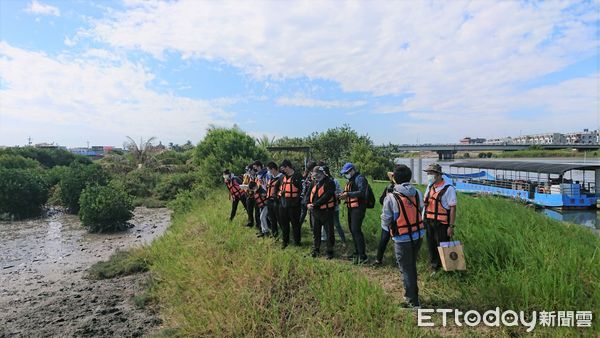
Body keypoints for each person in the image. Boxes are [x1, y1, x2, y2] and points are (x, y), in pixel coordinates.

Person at [380, 164, 425, 308]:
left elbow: (386, 219)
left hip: (402, 238)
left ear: (395, 179)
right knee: (411, 266)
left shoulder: (391, 197)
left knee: (406, 268)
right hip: (418, 235)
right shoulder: (417, 192)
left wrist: (390, 229)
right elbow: (421, 209)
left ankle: (412, 300)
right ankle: (412, 294)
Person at [423, 163, 457, 272]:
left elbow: (452, 208)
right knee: (431, 245)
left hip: (441, 224)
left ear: (438, 175)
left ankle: (448, 268)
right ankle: (434, 267)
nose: (428, 175)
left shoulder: (448, 189)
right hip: (429, 221)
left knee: (443, 246)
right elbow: (425, 205)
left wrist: (450, 226)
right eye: (428, 173)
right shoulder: (430, 187)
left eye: (430, 173)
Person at [339, 162, 369, 264]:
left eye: (347, 172)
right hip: (351, 207)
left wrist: (348, 194)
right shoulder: (351, 180)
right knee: (352, 230)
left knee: (356, 230)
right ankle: (357, 252)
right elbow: (349, 191)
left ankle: (363, 256)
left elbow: (362, 192)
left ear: (352, 170)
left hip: (358, 208)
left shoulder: (360, 178)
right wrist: (343, 194)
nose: (346, 174)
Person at [307, 166, 337, 259]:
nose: (317, 176)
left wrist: (314, 204)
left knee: (329, 233)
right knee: (316, 232)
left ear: (323, 173)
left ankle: (330, 251)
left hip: (326, 212)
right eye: (315, 174)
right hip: (315, 212)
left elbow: (326, 196)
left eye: (319, 174)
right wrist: (307, 204)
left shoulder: (330, 183)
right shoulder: (314, 182)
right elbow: (308, 194)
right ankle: (316, 249)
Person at [318, 163, 346, 245]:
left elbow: (340, 193)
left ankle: (343, 240)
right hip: (323, 207)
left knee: (336, 224)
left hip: (333, 206)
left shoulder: (334, 181)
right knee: (324, 223)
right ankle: (324, 238)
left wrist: (333, 195)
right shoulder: (320, 182)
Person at [278, 159, 303, 248]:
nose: (282, 171)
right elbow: (278, 188)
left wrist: (296, 202)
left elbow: (302, 191)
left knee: (295, 224)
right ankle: (285, 242)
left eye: (283, 169)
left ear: (288, 167)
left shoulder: (298, 176)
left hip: (294, 205)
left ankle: (297, 241)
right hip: (283, 204)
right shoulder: (282, 177)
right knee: (284, 224)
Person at [373, 171, 396, 267]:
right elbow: (381, 200)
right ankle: (379, 259)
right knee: (385, 240)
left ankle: (380, 260)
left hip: (396, 220)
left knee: (392, 241)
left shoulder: (394, 188)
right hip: (392, 219)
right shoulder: (389, 187)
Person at [265, 161, 282, 238]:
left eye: (269, 170)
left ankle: (284, 236)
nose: (268, 172)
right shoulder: (271, 178)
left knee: (280, 219)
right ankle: (274, 234)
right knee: (272, 219)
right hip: (269, 201)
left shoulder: (282, 178)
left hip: (277, 202)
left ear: (273, 169)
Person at [299, 161, 317, 226]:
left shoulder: (306, 175)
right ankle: (313, 228)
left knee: (303, 213)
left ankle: (298, 227)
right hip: (310, 196)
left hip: (304, 196)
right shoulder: (313, 176)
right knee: (312, 213)